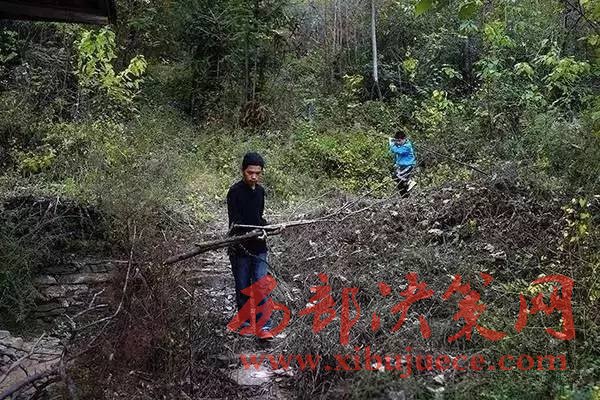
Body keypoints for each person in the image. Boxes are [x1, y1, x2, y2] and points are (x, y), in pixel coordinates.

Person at [226, 152, 274, 340]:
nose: (253, 176)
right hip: (240, 246)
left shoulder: (260, 192)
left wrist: (265, 227)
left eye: (257, 173)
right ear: (243, 171)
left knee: (261, 285)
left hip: (259, 246)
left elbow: (258, 216)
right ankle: (245, 323)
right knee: (243, 286)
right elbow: (236, 221)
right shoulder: (234, 192)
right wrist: (250, 231)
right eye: (250, 172)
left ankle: (264, 326)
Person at [389, 130, 417, 195]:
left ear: (404, 139)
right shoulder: (400, 145)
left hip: (408, 166)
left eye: (399, 141)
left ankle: (410, 182)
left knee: (397, 176)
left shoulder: (407, 146)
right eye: (397, 141)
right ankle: (404, 196)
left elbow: (397, 151)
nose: (398, 142)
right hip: (401, 166)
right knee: (398, 181)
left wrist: (392, 144)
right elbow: (393, 152)